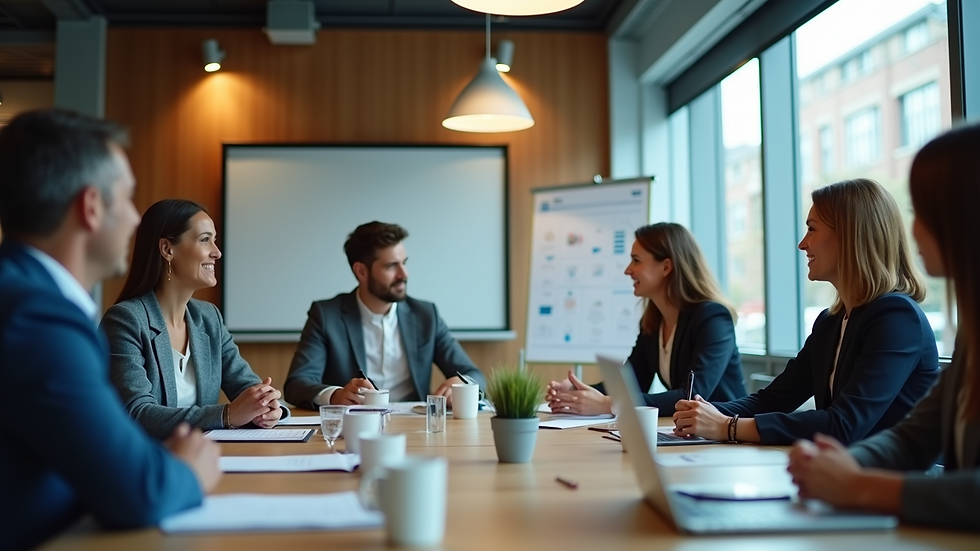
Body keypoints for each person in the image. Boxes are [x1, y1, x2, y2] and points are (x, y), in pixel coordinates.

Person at [0, 109, 220, 551]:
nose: (137, 219)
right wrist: (189, 469)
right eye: (128, 199)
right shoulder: (38, 319)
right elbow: (140, 491)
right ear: (91, 207)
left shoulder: (25, 296)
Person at [787, 124, 980, 531]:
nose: (910, 231)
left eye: (923, 212)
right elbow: (913, 438)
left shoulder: (896, 315)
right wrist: (837, 467)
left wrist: (859, 485)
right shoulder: (972, 336)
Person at [673, 178, 939, 446]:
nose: (802, 244)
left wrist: (727, 426)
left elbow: (843, 425)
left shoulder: (896, 317)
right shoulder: (830, 322)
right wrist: (705, 413)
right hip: (844, 474)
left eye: (812, 229)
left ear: (849, 235)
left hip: (891, 483)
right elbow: (774, 399)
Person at [102, 199, 289, 440]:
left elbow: (248, 388)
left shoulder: (209, 318)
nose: (217, 252)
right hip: (143, 465)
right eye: (205, 239)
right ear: (167, 249)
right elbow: (137, 414)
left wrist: (269, 407)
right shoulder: (125, 320)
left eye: (215, 239)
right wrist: (227, 415)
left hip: (198, 459)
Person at [545, 223, 747, 416]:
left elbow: (692, 396)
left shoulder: (713, 318)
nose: (627, 270)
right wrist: (575, 391)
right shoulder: (653, 322)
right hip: (691, 436)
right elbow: (630, 383)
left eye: (636, 260)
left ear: (666, 267)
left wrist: (609, 404)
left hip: (728, 439)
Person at [285, 221, 486, 408]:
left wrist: (463, 382)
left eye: (404, 263)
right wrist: (335, 395)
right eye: (391, 266)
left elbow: (473, 374)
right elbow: (297, 384)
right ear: (361, 271)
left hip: (415, 428)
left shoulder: (425, 315)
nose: (404, 274)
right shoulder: (326, 315)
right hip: (354, 428)